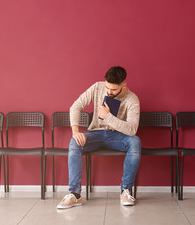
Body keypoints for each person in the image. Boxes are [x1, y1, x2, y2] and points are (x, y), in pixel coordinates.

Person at [57, 66, 141, 209]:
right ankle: (75, 195)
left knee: (136, 142)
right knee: (74, 142)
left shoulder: (132, 99)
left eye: (114, 89)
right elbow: (75, 107)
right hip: (95, 133)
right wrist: (75, 131)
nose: (109, 91)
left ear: (123, 85)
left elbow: (132, 129)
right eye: (107, 87)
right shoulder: (97, 87)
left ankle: (125, 190)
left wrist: (107, 116)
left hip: (118, 137)